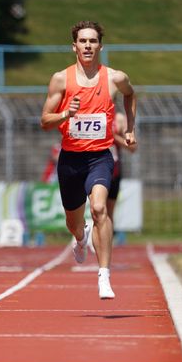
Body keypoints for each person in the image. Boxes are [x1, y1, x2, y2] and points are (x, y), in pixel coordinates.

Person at [40, 21, 137, 299]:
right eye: (82, 41)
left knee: (99, 208)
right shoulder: (61, 79)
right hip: (70, 159)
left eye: (93, 41)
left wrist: (130, 127)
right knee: (74, 221)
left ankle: (104, 275)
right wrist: (64, 115)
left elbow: (131, 95)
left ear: (100, 46)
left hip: (100, 157)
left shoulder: (114, 78)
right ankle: (80, 237)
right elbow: (44, 120)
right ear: (74, 46)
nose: (87, 46)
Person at [108, 112, 137, 223]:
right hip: (93, 167)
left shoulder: (118, 119)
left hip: (113, 171)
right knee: (97, 209)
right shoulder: (91, 114)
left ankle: (108, 239)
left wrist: (114, 136)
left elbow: (132, 147)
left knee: (108, 212)